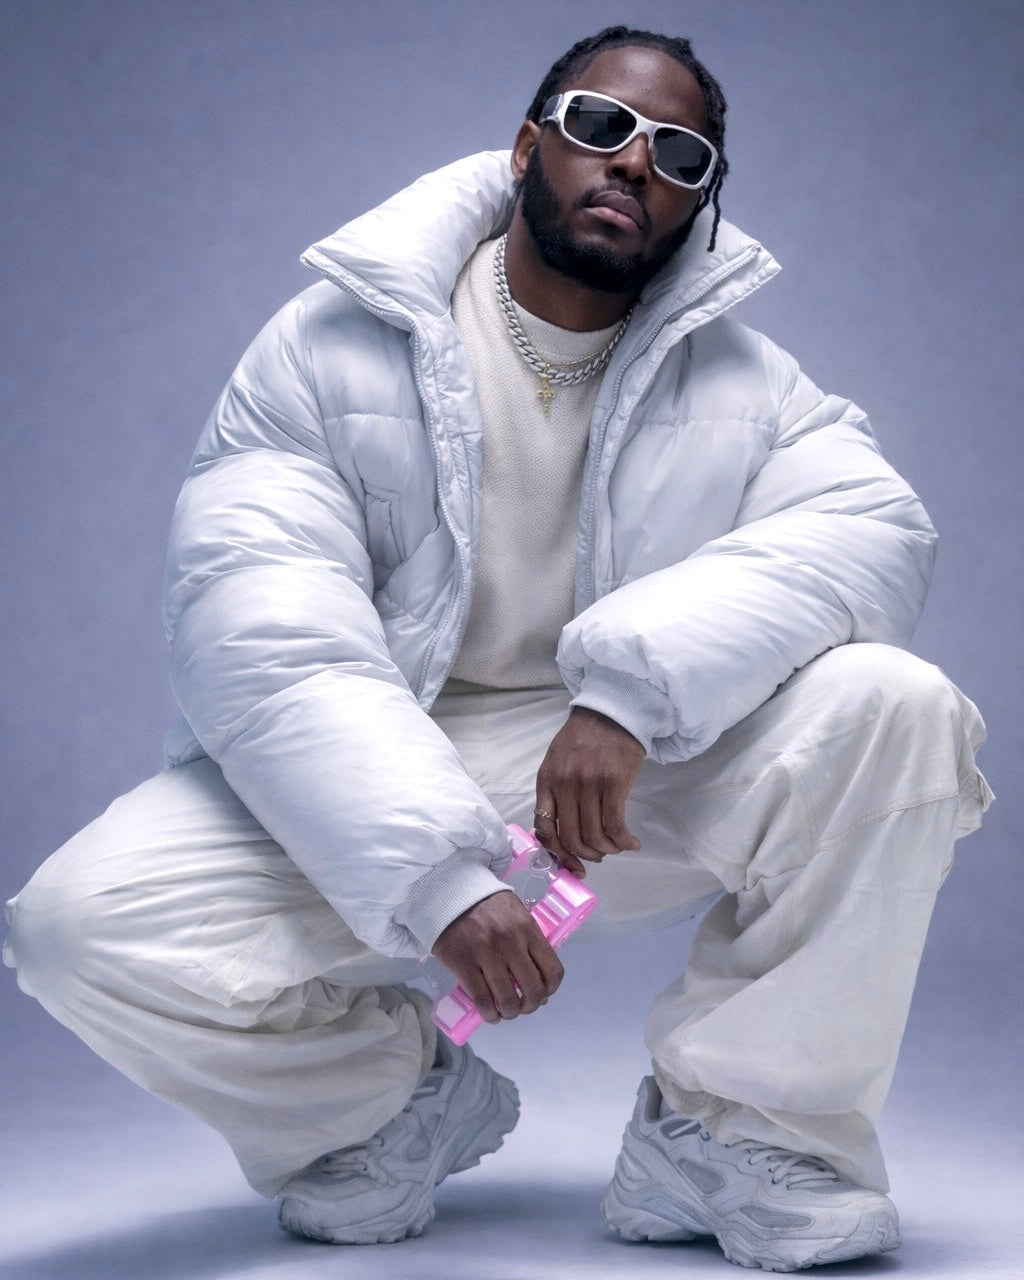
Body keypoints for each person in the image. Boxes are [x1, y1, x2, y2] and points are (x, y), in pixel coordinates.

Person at [3, 24, 991, 1274]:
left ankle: (743, 1134)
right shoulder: (326, 346)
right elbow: (266, 630)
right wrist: (437, 878)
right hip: (374, 761)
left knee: (896, 704)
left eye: (678, 154)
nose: (632, 163)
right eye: (600, 126)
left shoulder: (748, 382)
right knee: (76, 925)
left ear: (699, 200)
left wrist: (628, 691)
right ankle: (380, 1103)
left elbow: (876, 530)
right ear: (528, 146)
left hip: (618, 778)